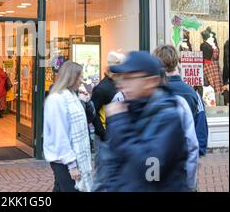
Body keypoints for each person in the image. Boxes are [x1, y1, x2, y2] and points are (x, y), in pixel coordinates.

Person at [103, 51, 188, 191]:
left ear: (151, 81)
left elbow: (151, 170)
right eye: (121, 78)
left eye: (129, 78)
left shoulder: (168, 117)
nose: (121, 85)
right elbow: (112, 165)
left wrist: (119, 123)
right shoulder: (127, 111)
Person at [153, 45, 201, 191]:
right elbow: (198, 137)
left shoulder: (151, 94)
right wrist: (191, 181)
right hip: (181, 169)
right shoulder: (192, 93)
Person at [43, 61, 93, 192]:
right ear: (71, 78)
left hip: (69, 157)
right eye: (80, 77)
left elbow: (87, 119)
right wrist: (72, 165)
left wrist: (86, 102)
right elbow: (60, 134)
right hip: (64, 160)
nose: (82, 80)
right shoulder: (57, 99)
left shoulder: (72, 96)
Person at [90, 51, 125, 190]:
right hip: (106, 139)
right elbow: (93, 112)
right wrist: (104, 134)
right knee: (102, 176)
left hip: (119, 138)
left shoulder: (120, 84)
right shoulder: (102, 88)